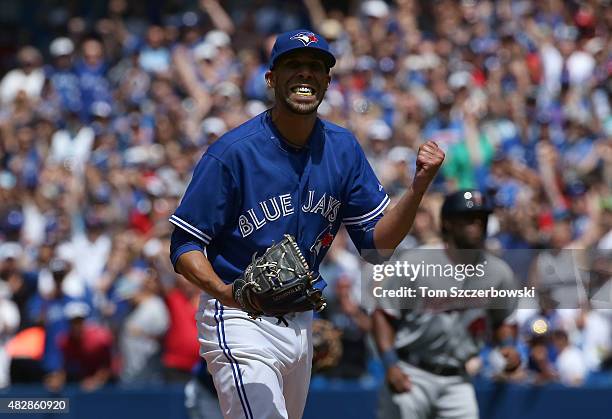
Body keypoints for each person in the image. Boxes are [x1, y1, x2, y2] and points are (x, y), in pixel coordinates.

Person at [170, 29, 444, 419]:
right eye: (293, 66)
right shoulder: (232, 154)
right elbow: (184, 245)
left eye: (315, 68)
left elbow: (377, 248)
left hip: (301, 323)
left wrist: (417, 188)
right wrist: (224, 291)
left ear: (328, 81)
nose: (305, 75)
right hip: (237, 316)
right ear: (271, 79)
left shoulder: (342, 147)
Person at [373, 190, 519, 419]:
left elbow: (504, 319)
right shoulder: (415, 262)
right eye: (468, 219)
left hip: (458, 378)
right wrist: (390, 364)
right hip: (412, 372)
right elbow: (384, 314)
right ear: (448, 223)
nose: (476, 225)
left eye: (481, 219)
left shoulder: (498, 272)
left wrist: (508, 344)